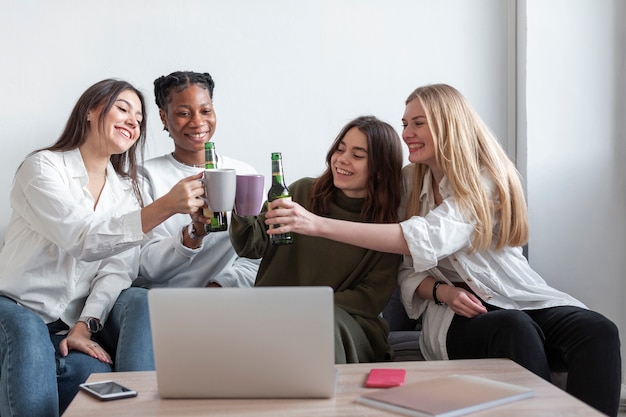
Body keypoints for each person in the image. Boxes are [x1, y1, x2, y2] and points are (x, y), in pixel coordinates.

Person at [263, 84, 622, 416]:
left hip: (515, 293)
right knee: (515, 328)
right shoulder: (406, 182)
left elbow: (429, 238)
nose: (406, 133)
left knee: (599, 331)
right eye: (405, 123)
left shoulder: (485, 179)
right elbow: (403, 269)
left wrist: (316, 223)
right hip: (453, 310)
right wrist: (441, 290)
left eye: (418, 123)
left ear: (448, 125)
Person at [0, 79, 206, 417]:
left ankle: (142, 411)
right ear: (91, 111)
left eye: (139, 119)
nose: (132, 122)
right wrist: (166, 206)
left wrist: (87, 322)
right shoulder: (42, 168)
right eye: (123, 109)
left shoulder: (126, 190)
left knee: (98, 359)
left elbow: (117, 269)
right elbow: (83, 238)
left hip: (68, 324)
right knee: (28, 331)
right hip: (18, 308)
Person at [230, 115, 404, 363]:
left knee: (320, 323)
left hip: (346, 320)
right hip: (275, 313)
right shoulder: (300, 193)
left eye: (357, 155)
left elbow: (369, 297)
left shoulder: (387, 227)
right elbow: (251, 245)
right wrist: (240, 205)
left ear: (379, 169)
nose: (341, 159)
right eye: (340, 149)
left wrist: (305, 306)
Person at [134, 71, 260, 289]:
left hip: (225, 302)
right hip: (161, 304)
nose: (198, 122)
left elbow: (257, 256)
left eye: (206, 111)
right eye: (184, 113)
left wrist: (219, 287)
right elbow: (143, 264)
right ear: (164, 117)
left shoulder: (242, 174)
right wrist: (192, 234)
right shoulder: (144, 177)